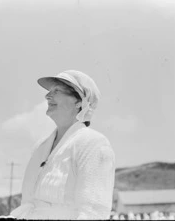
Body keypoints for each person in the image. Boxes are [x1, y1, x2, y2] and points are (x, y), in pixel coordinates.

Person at [10, 70, 116, 219]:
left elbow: (93, 212)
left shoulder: (93, 145)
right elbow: (27, 204)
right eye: (49, 91)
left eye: (57, 91)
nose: (47, 96)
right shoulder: (40, 147)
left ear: (79, 101)